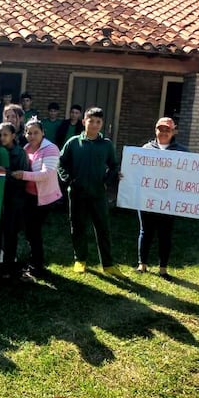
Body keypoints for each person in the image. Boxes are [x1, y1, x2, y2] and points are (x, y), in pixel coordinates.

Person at [58, 106, 125, 278]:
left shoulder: (106, 145)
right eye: (91, 121)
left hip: (98, 193)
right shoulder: (73, 142)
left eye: (98, 122)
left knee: (103, 228)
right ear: (83, 122)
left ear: (102, 123)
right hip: (77, 193)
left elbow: (114, 165)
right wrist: (68, 179)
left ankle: (108, 264)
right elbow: (61, 163)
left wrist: (107, 181)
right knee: (78, 226)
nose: (94, 125)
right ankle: (80, 259)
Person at [132, 117, 189, 279]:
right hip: (147, 199)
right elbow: (136, 170)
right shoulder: (146, 149)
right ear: (155, 130)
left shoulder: (182, 151)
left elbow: (196, 173)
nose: (163, 132)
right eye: (161, 129)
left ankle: (163, 268)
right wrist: (125, 175)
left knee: (165, 234)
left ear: (173, 131)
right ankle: (142, 264)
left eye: (167, 129)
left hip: (169, 200)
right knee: (145, 232)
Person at [12, 118, 62, 280]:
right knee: (30, 231)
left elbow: (46, 174)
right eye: (29, 132)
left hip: (44, 198)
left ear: (43, 133)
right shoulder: (26, 148)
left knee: (34, 231)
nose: (32, 136)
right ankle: (33, 262)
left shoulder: (51, 149)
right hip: (29, 196)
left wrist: (22, 175)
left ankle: (37, 266)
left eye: (36, 133)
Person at [0, 122, 29, 278]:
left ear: (13, 136)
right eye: (0, 134)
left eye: (5, 134)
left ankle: (9, 266)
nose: (2, 138)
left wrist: (7, 173)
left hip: (14, 198)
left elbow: (22, 178)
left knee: (10, 233)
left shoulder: (20, 153)